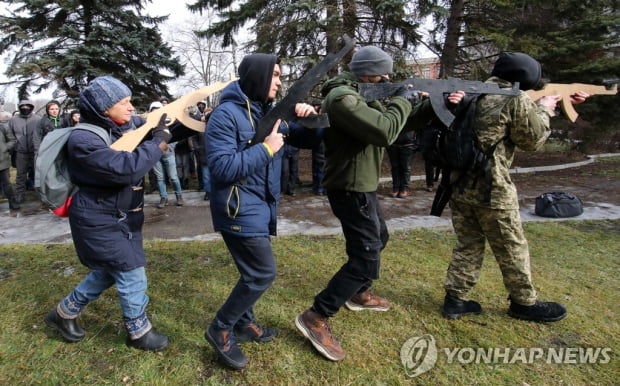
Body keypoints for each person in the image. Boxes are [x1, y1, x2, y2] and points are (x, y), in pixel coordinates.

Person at [294, 45, 464, 361]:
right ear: (367, 72)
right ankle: (316, 316)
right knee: (366, 255)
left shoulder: (358, 95)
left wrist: (434, 106)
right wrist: (404, 96)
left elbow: (401, 122)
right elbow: (385, 131)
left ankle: (357, 293)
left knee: (378, 239)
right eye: (383, 73)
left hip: (362, 184)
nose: (387, 77)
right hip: (350, 186)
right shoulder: (343, 98)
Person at [440, 52, 590, 323]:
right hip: (492, 189)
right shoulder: (515, 98)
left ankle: (455, 300)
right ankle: (523, 303)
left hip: (460, 185)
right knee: (512, 247)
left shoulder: (475, 91)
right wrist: (545, 108)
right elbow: (532, 140)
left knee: (468, 244)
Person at [204, 53, 320, 370]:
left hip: (259, 205)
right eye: (276, 75)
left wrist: (308, 117)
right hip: (237, 208)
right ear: (258, 77)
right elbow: (222, 167)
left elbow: (312, 140)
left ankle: (244, 323)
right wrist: (267, 148)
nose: (280, 82)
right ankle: (221, 328)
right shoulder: (226, 115)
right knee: (261, 273)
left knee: (251, 271)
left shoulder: (267, 112)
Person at [43, 76, 173, 352]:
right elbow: (125, 168)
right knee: (131, 271)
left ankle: (63, 313)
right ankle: (138, 332)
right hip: (98, 219)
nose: (130, 108)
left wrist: (167, 122)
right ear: (103, 109)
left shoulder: (120, 127)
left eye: (129, 101)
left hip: (120, 217)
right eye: (122, 103)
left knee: (107, 272)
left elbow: (149, 126)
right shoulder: (84, 138)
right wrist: (158, 142)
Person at [148, 101, 184, 208]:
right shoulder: (148, 125)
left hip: (168, 154)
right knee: (160, 178)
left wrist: (169, 147)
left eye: (158, 111)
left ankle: (179, 196)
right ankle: (163, 197)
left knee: (173, 177)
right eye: (153, 111)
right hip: (155, 156)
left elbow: (175, 136)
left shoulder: (169, 122)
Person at [8, 100, 41, 203]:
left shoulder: (38, 119)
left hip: (35, 152)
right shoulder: (13, 120)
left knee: (38, 174)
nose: (25, 108)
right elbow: (10, 135)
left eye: (28, 106)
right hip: (20, 152)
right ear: (20, 107)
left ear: (31, 107)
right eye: (23, 106)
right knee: (20, 175)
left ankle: (41, 196)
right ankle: (20, 195)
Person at [386, 130, 416, 197]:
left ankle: (404, 189)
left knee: (405, 168)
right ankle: (395, 188)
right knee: (395, 167)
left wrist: (417, 143)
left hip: (408, 144)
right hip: (393, 144)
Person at [0, 111, 19, 210]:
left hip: (2, 161)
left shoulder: (3, 127)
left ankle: (13, 203)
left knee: (7, 184)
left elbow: (12, 140)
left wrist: (4, 148)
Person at [310, 99, 326, 195]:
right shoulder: (322, 120)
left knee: (320, 169)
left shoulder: (318, 120)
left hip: (320, 148)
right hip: (319, 148)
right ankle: (320, 188)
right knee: (319, 169)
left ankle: (320, 188)